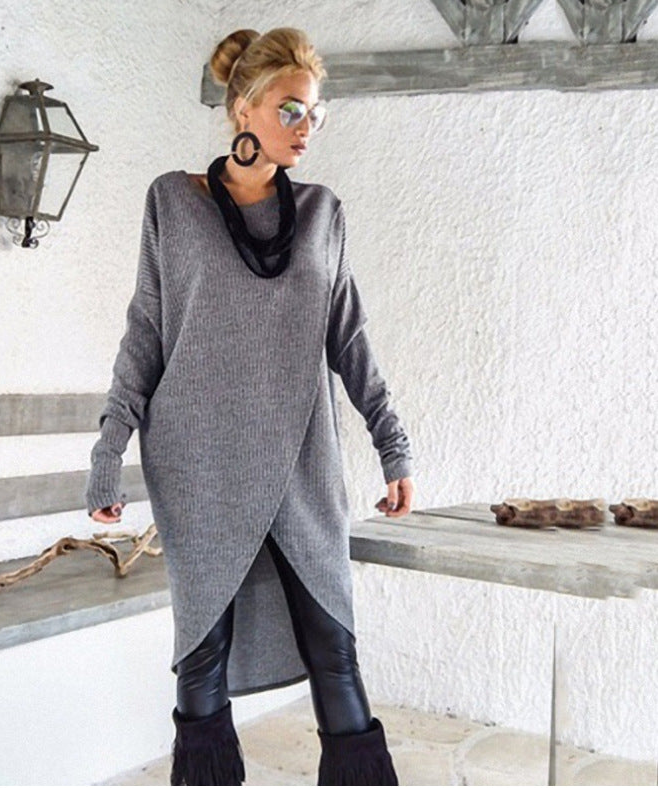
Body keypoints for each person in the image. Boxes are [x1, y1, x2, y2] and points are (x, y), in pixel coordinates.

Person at [85, 26, 414, 786]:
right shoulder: (173, 202)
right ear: (244, 108)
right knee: (203, 659)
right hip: (199, 463)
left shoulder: (323, 213)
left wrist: (393, 446)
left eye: (315, 113)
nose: (307, 127)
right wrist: (108, 451)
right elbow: (145, 334)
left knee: (334, 649)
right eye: (291, 110)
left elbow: (350, 341)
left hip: (302, 462)